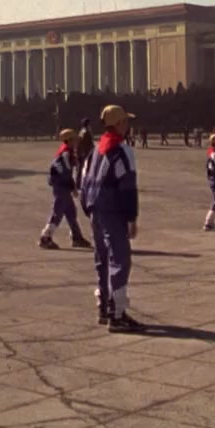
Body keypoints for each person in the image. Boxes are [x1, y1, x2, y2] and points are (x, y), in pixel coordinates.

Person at [79, 105, 144, 333]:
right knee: (120, 259)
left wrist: (88, 208)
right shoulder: (122, 151)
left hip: (95, 209)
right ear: (119, 124)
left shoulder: (96, 150)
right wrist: (131, 218)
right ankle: (117, 315)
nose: (128, 126)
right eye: (126, 122)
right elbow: (127, 187)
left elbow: (84, 181)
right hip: (113, 210)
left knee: (102, 258)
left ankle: (104, 307)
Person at [40, 129, 91, 250]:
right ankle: (45, 237)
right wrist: (72, 187)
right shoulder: (65, 154)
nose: (77, 142)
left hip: (64, 186)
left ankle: (76, 237)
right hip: (61, 187)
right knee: (57, 212)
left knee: (71, 212)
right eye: (75, 140)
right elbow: (65, 173)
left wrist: (72, 187)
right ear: (69, 140)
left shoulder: (67, 152)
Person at [75, 118, 95, 189]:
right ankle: (81, 183)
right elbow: (88, 143)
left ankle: (78, 183)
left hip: (82, 152)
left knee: (81, 168)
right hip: (85, 153)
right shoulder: (86, 132)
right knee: (85, 168)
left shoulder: (82, 131)